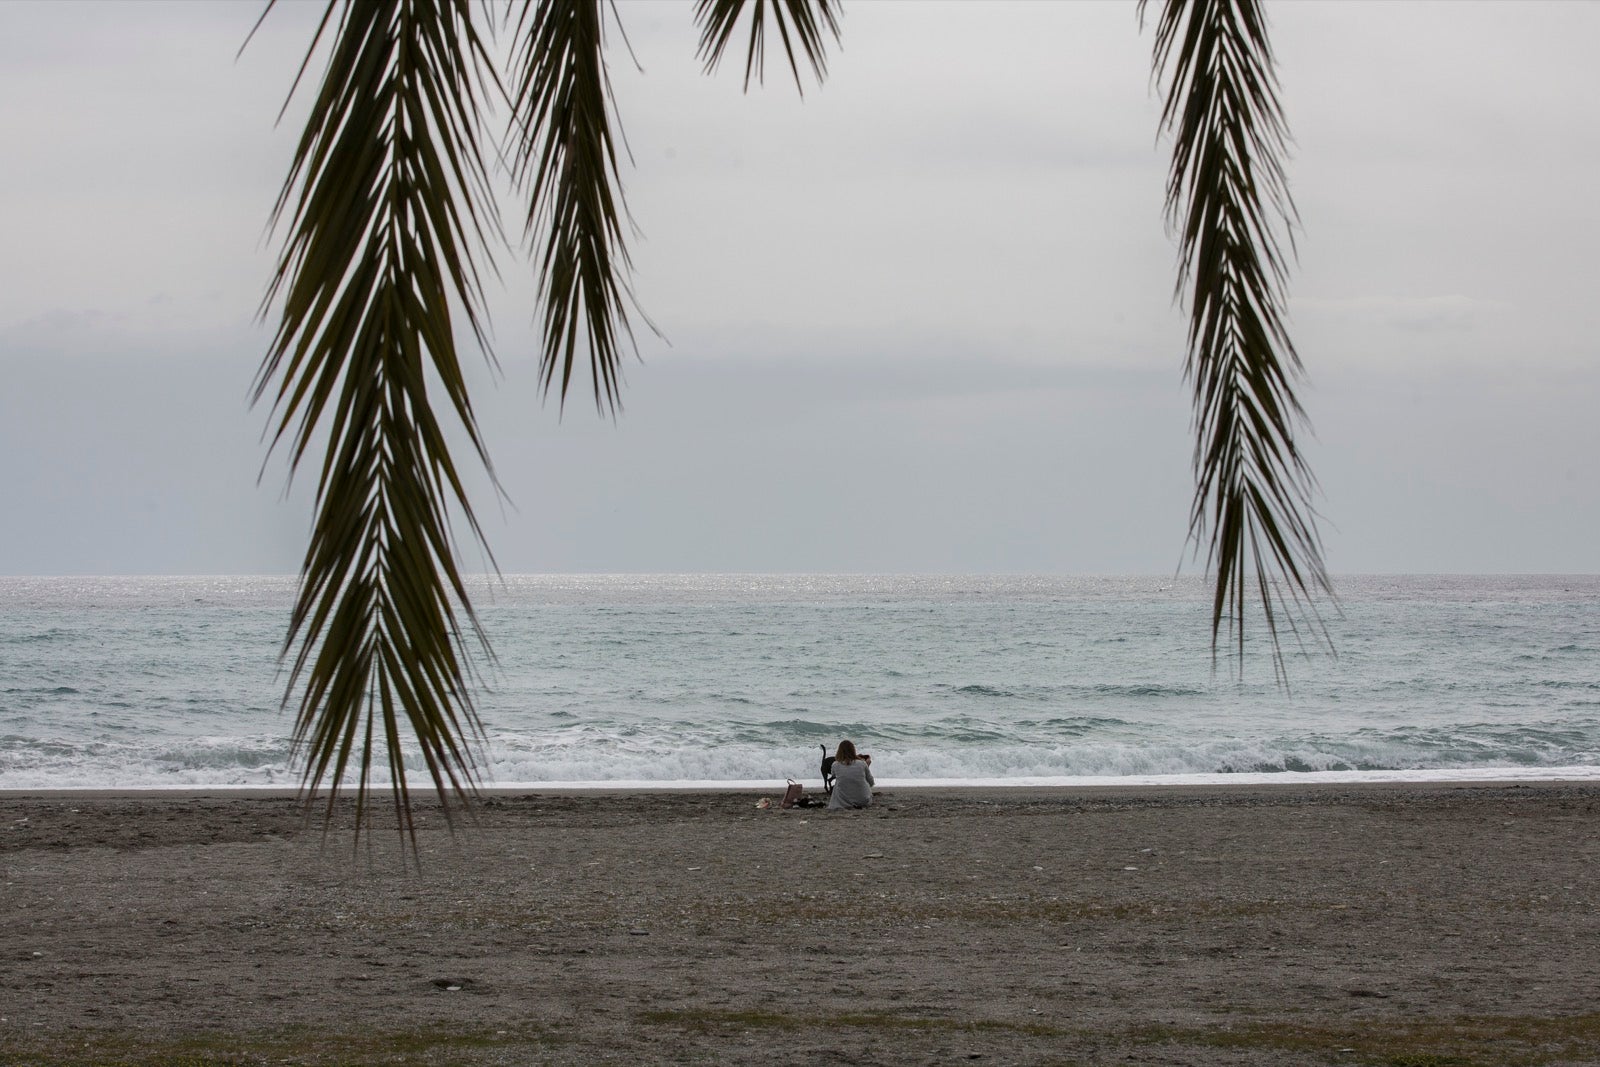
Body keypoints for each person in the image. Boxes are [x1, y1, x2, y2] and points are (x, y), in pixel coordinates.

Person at [826, 740, 874, 810]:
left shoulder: (835, 764)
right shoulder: (862, 763)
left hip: (843, 802)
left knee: (838, 782)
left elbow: (833, 774)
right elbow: (871, 782)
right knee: (862, 779)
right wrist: (866, 767)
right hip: (863, 800)